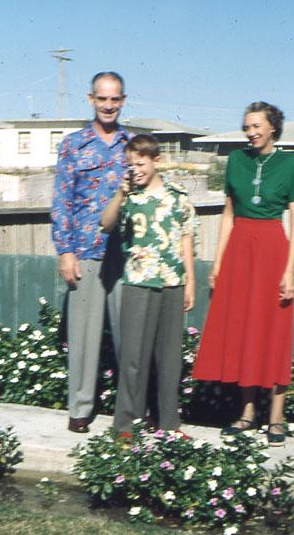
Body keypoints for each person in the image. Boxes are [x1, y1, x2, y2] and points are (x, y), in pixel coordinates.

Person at [192, 101, 294, 445]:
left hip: (272, 250)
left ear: (273, 127)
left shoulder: (291, 164)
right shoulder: (237, 161)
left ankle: (276, 417)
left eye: (256, 126)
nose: (251, 132)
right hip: (239, 250)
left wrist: (290, 271)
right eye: (246, 127)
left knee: (274, 330)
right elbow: (228, 215)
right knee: (244, 330)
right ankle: (246, 414)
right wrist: (218, 261)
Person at [100, 134, 196, 435]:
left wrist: (190, 282)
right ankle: (127, 425)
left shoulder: (178, 197)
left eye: (141, 163)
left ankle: (168, 423)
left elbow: (186, 241)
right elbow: (105, 223)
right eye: (130, 164)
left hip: (172, 281)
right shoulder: (128, 197)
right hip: (139, 281)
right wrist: (120, 194)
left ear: (157, 161)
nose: (135, 169)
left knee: (169, 358)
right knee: (133, 357)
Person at [51, 71, 130, 433]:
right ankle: (80, 409)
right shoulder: (73, 145)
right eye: (103, 99)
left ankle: (130, 411)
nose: (109, 105)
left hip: (128, 255)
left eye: (115, 99)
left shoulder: (133, 145)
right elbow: (62, 202)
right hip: (85, 250)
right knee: (83, 336)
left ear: (123, 101)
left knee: (131, 334)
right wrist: (65, 251)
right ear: (91, 99)